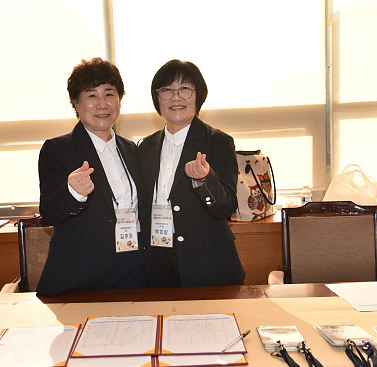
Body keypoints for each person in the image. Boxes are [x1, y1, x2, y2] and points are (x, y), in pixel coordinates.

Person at [36, 58, 145, 296]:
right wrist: (73, 192)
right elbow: (49, 213)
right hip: (81, 275)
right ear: (76, 103)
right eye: (92, 95)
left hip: (131, 269)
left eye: (109, 94)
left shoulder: (132, 149)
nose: (102, 104)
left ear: (119, 100)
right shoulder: (58, 149)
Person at [138, 59, 245, 288]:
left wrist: (204, 180)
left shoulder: (217, 141)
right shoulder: (145, 146)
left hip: (205, 262)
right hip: (158, 259)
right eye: (167, 90)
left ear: (198, 95)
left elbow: (226, 207)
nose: (176, 97)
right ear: (157, 98)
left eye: (185, 89)